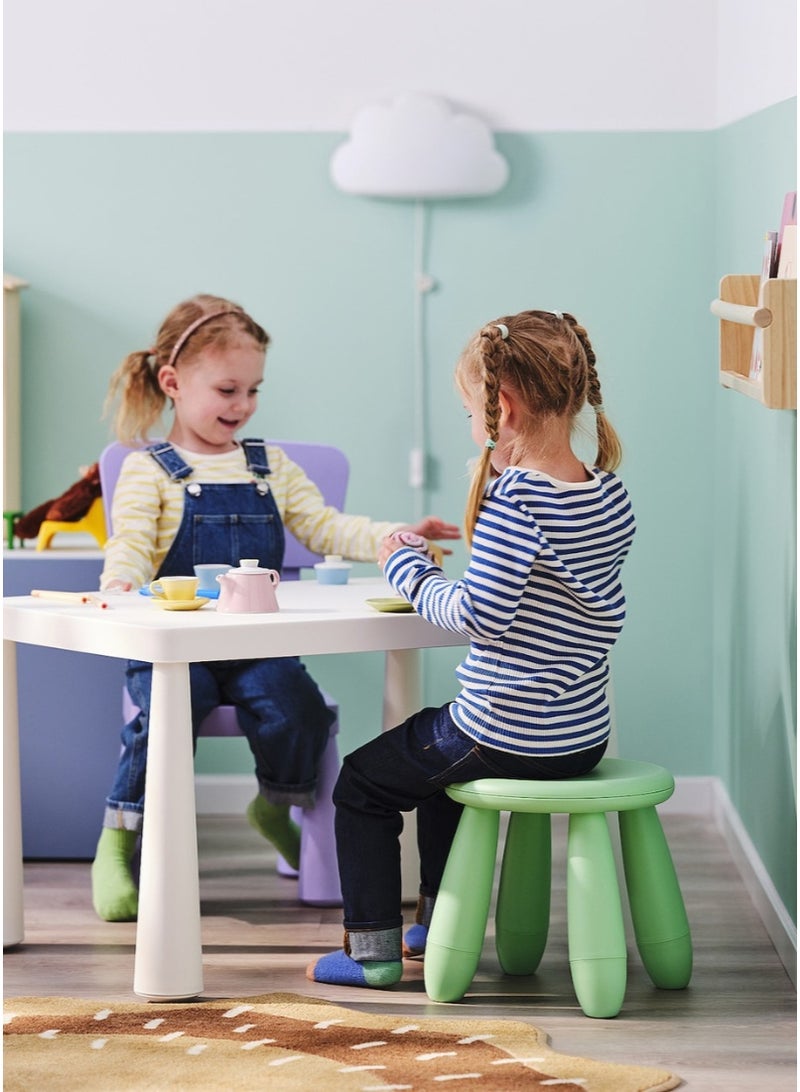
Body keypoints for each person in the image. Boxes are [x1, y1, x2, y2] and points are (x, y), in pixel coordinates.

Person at [92, 293, 460, 922]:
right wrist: (120, 588)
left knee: (301, 711)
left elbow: (325, 527)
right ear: (173, 383)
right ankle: (120, 838)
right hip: (177, 650)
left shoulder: (270, 466)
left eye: (253, 391)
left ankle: (273, 803)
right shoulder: (147, 470)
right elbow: (128, 545)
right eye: (228, 390)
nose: (243, 406)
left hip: (255, 642)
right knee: (164, 715)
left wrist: (391, 536)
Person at [308, 308, 636, 989]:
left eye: (471, 411)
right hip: (580, 735)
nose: (472, 423)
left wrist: (406, 566)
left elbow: (477, 617)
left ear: (504, 408)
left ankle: (372, 951)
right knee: (434, 769)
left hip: (505, 730)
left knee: (363, 783)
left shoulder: (517, 501)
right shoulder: (607, 493)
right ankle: (435, 920)